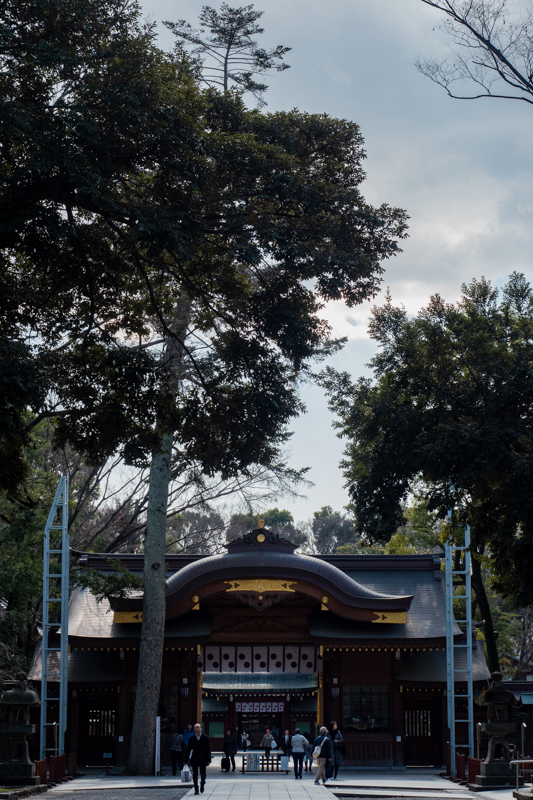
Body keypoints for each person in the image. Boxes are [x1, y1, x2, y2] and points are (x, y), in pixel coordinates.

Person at [186, 722, 211, 795]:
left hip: (203, 758)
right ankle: (196, 788)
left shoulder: (205, 737)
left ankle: (202, 783)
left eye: (198, 727)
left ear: (201, 728)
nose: (196, 729)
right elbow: (188, 750)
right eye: (195, 728)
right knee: (195, 774)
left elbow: (208, 749)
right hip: (195, 758)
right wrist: (186, 760)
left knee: (203, 773)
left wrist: (208, 760)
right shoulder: (192, 738)